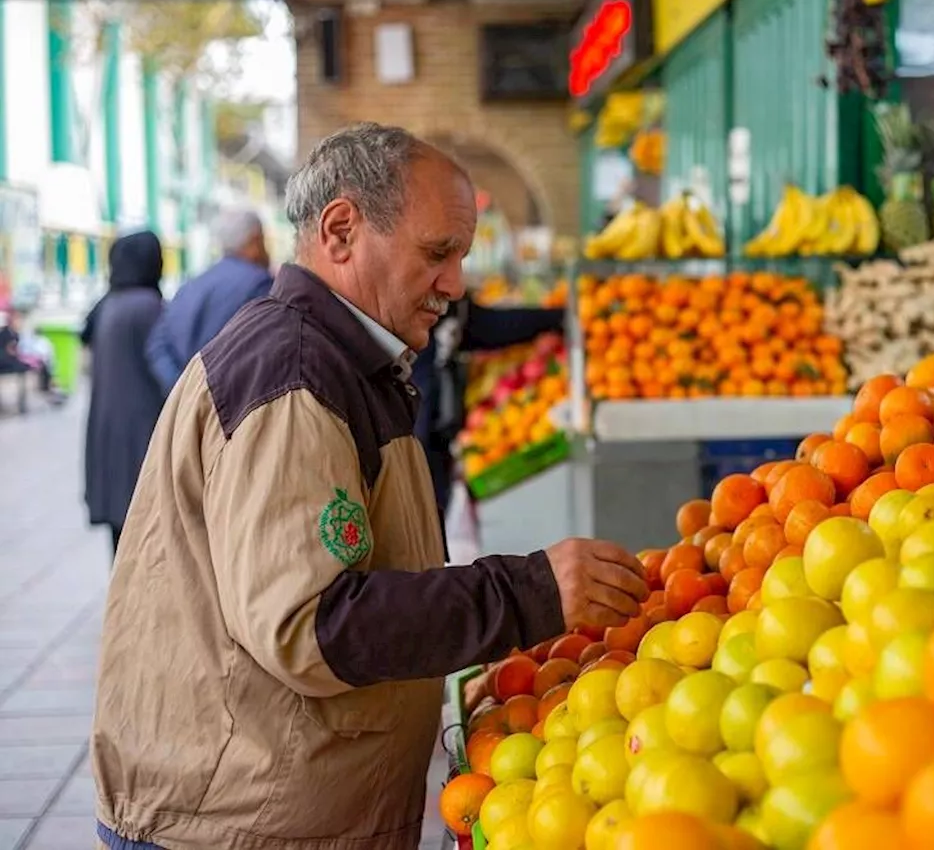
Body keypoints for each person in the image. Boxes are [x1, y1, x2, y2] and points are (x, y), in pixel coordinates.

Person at [91, 122, 648, 850]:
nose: (455, 285)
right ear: (343, 230)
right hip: (234, 825)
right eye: (438, 253)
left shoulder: (344, 359)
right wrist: (528, 591)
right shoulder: (295, 375)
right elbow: (313, 623)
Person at [411, 292, 564, 524]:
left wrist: (554, 318)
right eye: (439, 256)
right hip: (416, 437)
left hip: (432, 433)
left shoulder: (446, 303)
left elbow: (479, 326)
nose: (455, 283)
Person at [81, 231, 166, 555]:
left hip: (108, 434)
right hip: (141, 436)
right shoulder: (148, 307)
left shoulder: (108, 305)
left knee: (120, 540)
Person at [145, 207, 273, 395]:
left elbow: (156, 346)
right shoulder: (261, 285)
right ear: (255, 241)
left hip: (190, 407)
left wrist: (185, 392)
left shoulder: (190, 286)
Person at [0, 305, 65, 403]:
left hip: (15, 361)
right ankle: (52, 389)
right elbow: (8, 351)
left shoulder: (17, 334)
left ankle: (52, 388)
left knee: (44, 362)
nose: (19, 322)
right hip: (7, 363)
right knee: (37, 363)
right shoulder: (6, 333)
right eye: (17, 319)